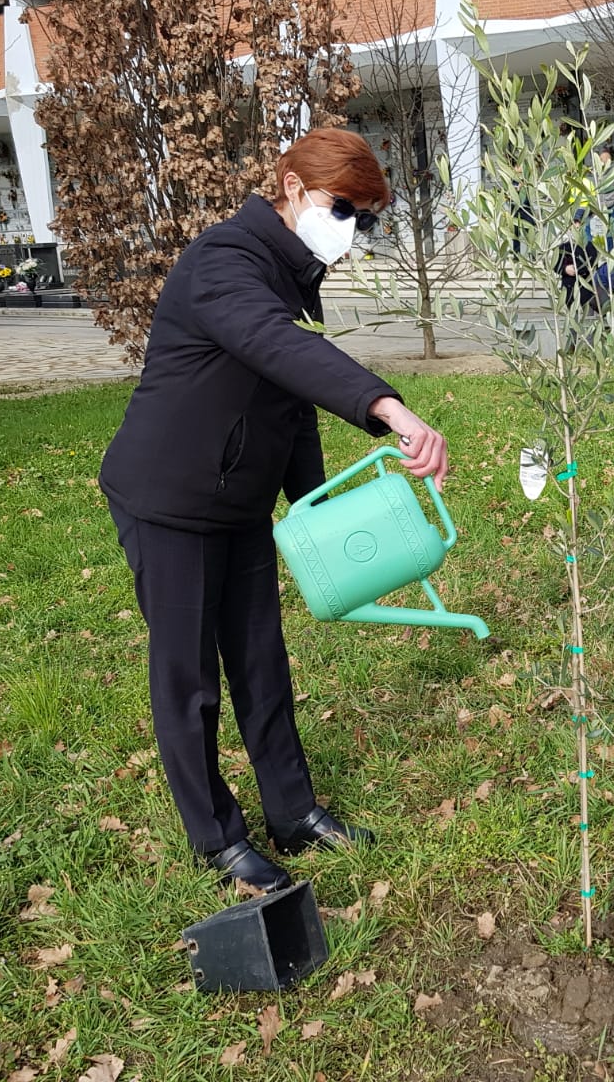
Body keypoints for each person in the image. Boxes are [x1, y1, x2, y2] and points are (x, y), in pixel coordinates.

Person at [98, 127, 450, 895]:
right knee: (188, 679)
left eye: (365, 215)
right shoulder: (224, 259)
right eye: (341, 206)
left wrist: (312, 509)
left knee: (262, 662)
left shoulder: (295, 274)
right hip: (170, 500)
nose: (352, 226)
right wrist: (387, 406)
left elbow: (287, 403)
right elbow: (274, 346)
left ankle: (293, 813)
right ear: (290, 186)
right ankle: (219, 841)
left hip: (240, 503)